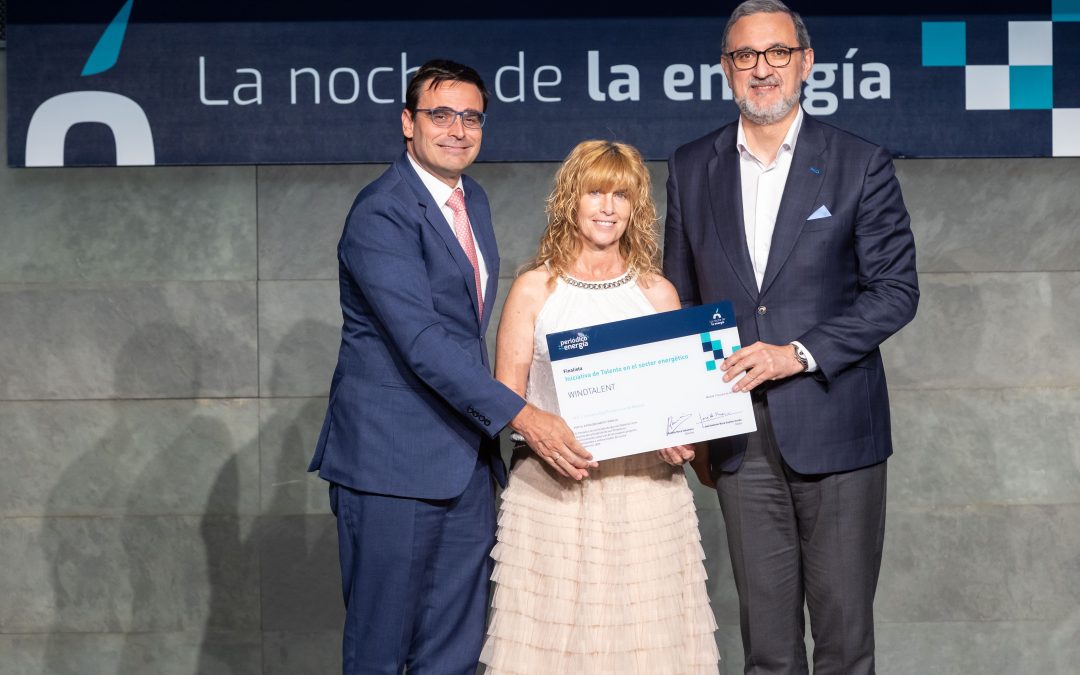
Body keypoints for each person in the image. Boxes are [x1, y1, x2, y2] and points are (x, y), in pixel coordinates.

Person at [308, 59, 591, 675]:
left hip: (464, 463)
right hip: (391, 465)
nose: (458, 130)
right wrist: (522, 415)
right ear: (408, 123)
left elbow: (467, 335)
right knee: (382, 651)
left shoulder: (472, 200)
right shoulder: (382, 210)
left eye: (471, 117)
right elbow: (421, 340)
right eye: (440, 115)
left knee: (456, 655)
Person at [663, 2, 919, 673]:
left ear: (805, 63)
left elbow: (895, 291)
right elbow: (680, 301)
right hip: (738, 439)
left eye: (777, 52)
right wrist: (686, 415)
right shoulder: (690, 166)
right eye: (745, 55)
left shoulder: (859, 162)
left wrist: (796, 355)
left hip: (838, 431)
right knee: (769, 652)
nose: (762, 68)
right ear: (726, 69)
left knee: (844, 645)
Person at [480, 140, 720, 674]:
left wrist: (681, 435)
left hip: (647, 495)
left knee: (649, 648)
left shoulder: (657, 293)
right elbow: (505, 395)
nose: (608, 208)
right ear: (572, 199)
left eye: (621, 196)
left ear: (636, 208)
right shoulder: (534, 289)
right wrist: (538, 429)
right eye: (595, 193)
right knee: (547, 649)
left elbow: (681, 403)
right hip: (552, 492)